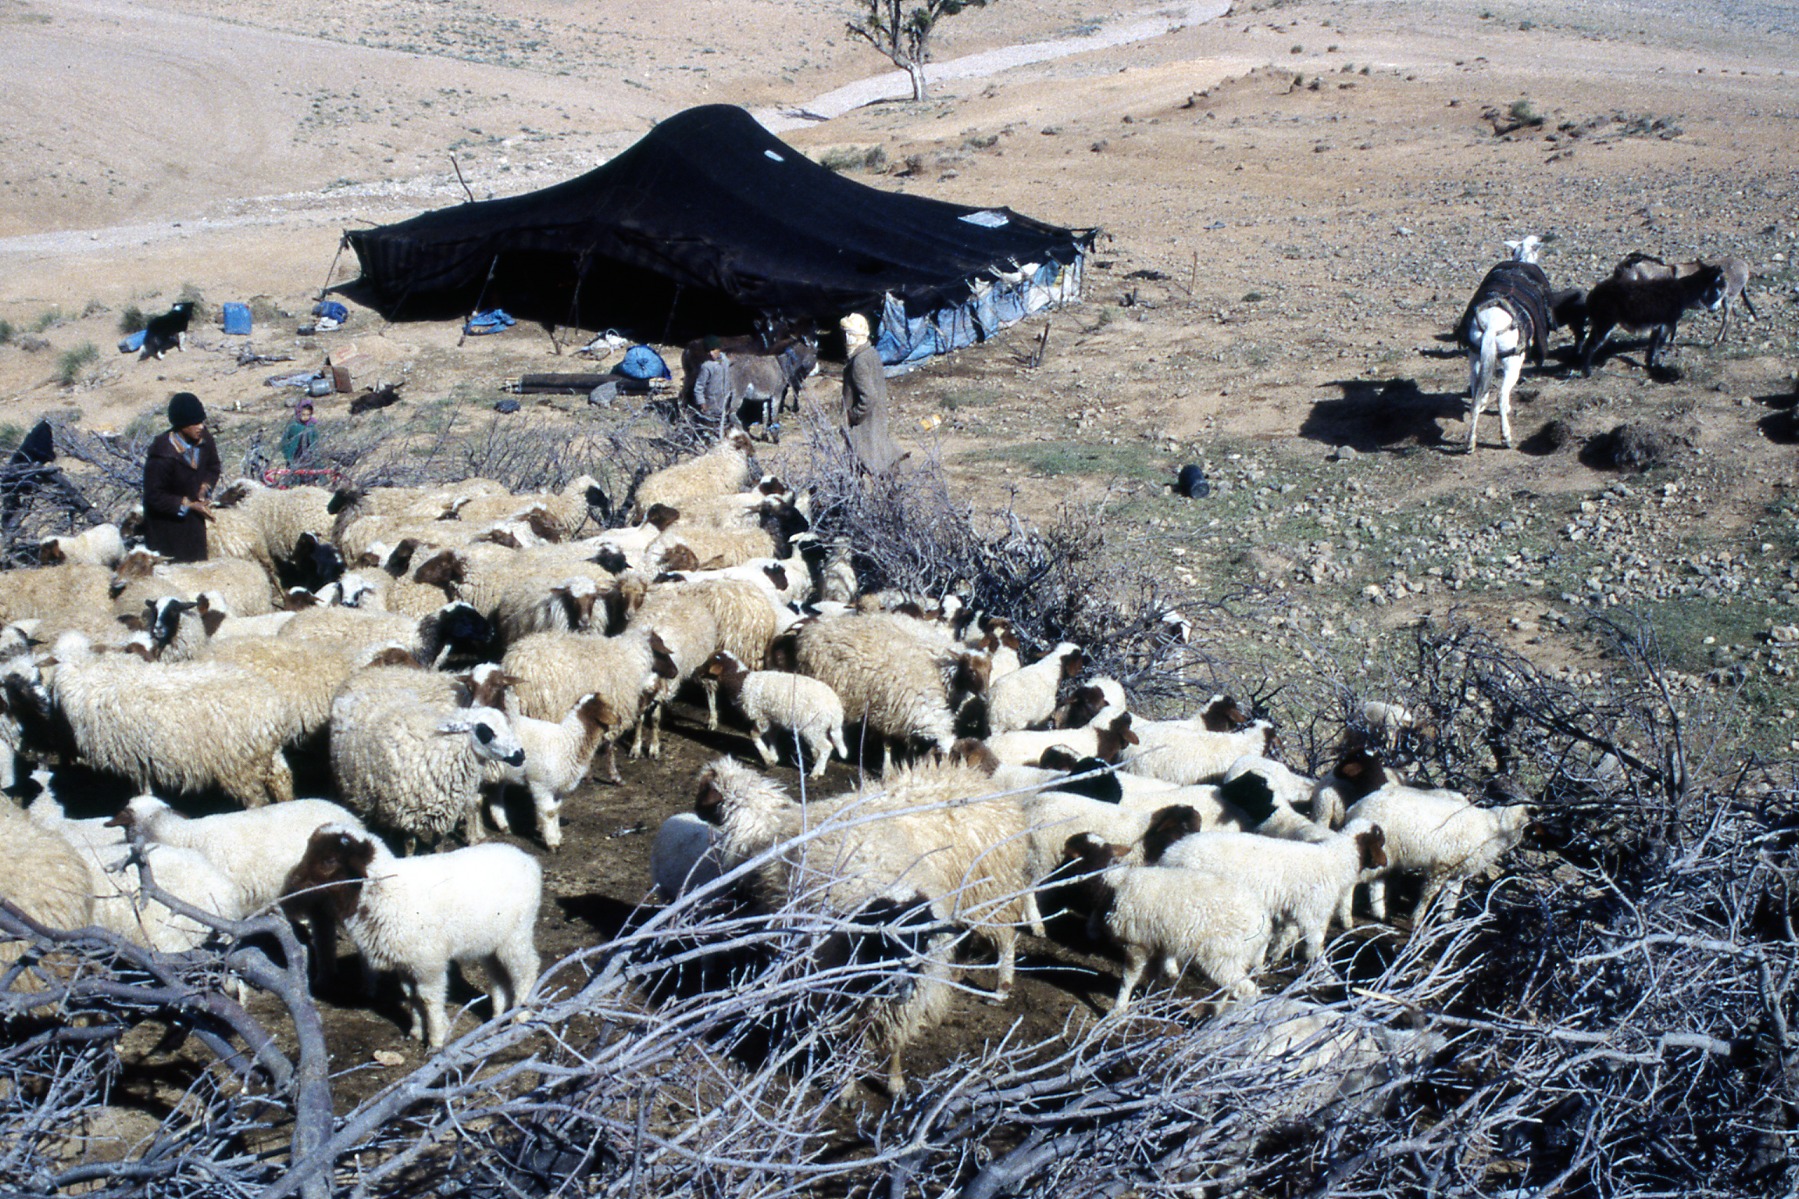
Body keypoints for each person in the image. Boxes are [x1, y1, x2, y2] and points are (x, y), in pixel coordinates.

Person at [142, 392, 222, 563]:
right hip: (167, 529)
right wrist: (189, 505)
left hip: (194, 525)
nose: (200, 427)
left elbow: (213, 466)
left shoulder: (204, 440)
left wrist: (205, 487)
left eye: (201, 421)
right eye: (195, 423)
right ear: (181, 425)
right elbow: (154, 496)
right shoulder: (162, 455)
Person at [2, 419, 94, 551]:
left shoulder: (30, 447)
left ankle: (9, 537)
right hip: (18, 479)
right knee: (12, 510)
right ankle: (8, 538)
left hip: (17, 479)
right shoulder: (31, 453)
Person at [838, 313, 907, 475]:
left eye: (847, 334)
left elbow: (868, 396)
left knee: (864, 461)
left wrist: (854, 415)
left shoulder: (859, 361)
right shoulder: (871, 353)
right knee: (871, 459)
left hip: (864, 423)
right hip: (876, 417)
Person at [692, 335, 733, 433]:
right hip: (711, 405)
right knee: (711, 429)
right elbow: (699, 387)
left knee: (723, 428)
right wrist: (702, 403)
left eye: (714, 350)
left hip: (724, 403)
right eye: (708, 351)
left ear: (719, 348)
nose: (711, 353)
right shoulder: (706, 366)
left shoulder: (725, 360)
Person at [282, 398, 318, 464]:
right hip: (295, 454)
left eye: (308, 415)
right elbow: (286, 440)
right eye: (303, 414)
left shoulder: (311, 426)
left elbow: (315, 439)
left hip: (309, 454)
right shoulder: (294, 426)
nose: (306, 417)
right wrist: (288, 455)